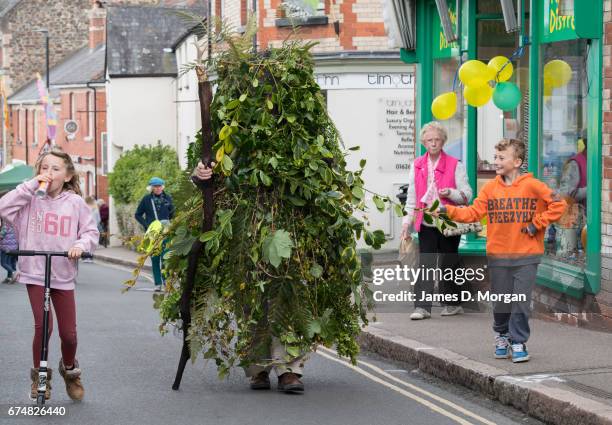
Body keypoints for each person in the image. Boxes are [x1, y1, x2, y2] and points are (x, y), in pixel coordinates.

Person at [438, 139, 566, 363]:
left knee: (520, 301)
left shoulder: (534, 186)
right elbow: (473, 213)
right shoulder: (490, 188)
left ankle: (518, 342)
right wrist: (446, 210)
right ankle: (501, 334)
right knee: (502, 301)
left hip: (527, 255)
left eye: (500, 158)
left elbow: (559, 205)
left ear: (516, 162)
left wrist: (537, 223)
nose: (495, 161)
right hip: (498, 254)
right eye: (495, 157)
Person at [193, 161, 306, 393]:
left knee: (287, 298)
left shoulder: (303, 127)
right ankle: (258, 369)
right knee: (251, 303)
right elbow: (207, 166)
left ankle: (288, 369)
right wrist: (200, 173)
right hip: (242, 224)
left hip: (288, 220)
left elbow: (322, 165)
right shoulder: (227, 127)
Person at [0, 148, 99, 400]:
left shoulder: (75, 203)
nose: (49, 173)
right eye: (44, 168)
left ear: (67, 176)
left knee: (69, 334)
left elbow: (90, 232)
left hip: (62, 274)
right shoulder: (29, 198)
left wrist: (80, 246)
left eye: (55, 169)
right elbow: (3, 208)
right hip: (34, 272)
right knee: (43, 327)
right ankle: (40, 379)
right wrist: (33, 185)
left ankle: (70, 369)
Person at [400, 121, 473, 320]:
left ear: (443, 141)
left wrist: (450, 193)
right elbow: (412, 198)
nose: (433, 143)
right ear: (423, 142)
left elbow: (467, 195)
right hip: (426, 222)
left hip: (448, 221)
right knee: (426, 263)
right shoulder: (416, 165)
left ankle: (453, 303)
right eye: (429, 140)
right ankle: (422, 307)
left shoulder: (455, 164)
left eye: (437, 139)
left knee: (448, 263)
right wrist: (406, 223)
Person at [134, 177, 175, 292]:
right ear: (151, 188)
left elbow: (173, 213)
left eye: (159, 186)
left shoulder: (168, 198)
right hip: (152, 233)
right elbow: (137, 214)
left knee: (166, 258)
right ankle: (157, 284)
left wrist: (169, 223)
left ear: (163, 187)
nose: (157, 188)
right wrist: (147, 225)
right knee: (155, 258)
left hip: (166, 232)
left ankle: (166, 282)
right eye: (155, 186)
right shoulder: (146, 199)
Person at [0, 219, 18, 283]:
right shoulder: (15, 225)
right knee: (10, 263)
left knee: (3, 263)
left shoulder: (6, 226)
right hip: (14, 248)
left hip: (6, 248)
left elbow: (1, 236)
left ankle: (14, 273)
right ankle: (9, 278)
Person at [84, 196, 101, 262]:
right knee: (92, 242)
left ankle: (86, 257)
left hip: (86, 227)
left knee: (86, 241)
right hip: (94, 227)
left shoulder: (85, 208)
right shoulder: (95, 208)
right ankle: (90, 257)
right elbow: (99, 219)